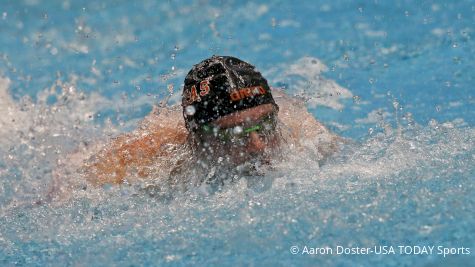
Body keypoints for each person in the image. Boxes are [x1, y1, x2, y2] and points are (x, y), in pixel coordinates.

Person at [49, 56, 341, 200]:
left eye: (264, 124)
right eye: (233, 132)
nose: (257, 146)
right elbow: (72, 180)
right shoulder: (152, 157)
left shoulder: (306, 133)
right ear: (198, 141)